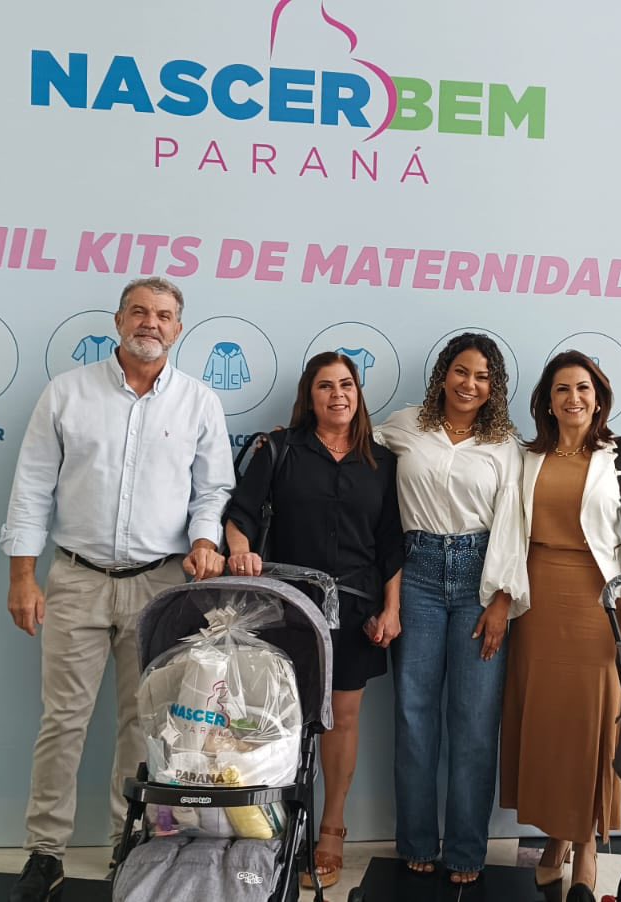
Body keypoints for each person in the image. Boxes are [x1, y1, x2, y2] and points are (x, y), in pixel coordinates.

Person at [0, 277, 234, 902]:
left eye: (163, 315)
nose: (150, 323)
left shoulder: (198, 401)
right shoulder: (67, 393)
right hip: (76, 579)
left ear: (178, 328)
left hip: (160, 582)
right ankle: (44, 852)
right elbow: (31, 487)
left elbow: (212, 490)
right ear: (118, 321)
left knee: (143, 723)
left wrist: (204, 539)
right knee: (62, 721)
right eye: (139, 312)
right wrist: (22, 577)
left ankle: (125, 847)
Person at [223, 351, 404, 890]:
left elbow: (391, 542)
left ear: (358, 393)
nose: (337, 395)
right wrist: (239, 549)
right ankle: (279, 830)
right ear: (310, 396)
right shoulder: (280, 450)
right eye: (325, 386)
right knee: (282, 720)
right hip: (287, 608)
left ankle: (331, 830)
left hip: (356, 610)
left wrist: (391, 608)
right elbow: (240, 514)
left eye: (346, 384)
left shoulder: (382, 461)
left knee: (342, 720)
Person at [501, 350, 621, 902]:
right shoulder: (526, 456)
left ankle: (587, 845)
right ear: (548, 400)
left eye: (584, 388)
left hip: (600, 602)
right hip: (537, 600)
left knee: (593, 723)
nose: (574, 398)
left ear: (599, 397)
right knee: (547, 723)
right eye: (563, 389)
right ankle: (557, 836)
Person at [375, 332, 528, 885]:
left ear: (494, 387)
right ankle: (416, 840)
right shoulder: (404, 425)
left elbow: (514, 524)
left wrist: (502, 600)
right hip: (415, 573)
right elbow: (348, 445)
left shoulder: (505, 445)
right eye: (461, 372)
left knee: (475, 721)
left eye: (483, 377)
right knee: (414, 716)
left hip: (478, 580)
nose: (470, 384)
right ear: (443, 374)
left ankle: (466, 849)